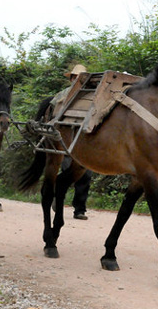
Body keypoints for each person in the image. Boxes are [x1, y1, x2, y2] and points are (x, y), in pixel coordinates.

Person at [51, 64, 92, 220]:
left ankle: (80, 209)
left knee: (86, 175)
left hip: (83, 140)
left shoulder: (90, 96)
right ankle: (57, 198)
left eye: (80, 78)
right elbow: (53, 111)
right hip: (66, 138)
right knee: (68, 171)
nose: (77, 80)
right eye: (75, 77)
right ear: (72, 78)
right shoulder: (62, 94)